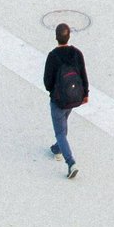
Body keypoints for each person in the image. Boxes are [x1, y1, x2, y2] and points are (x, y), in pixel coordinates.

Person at [43, 23, 89, 179]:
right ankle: (57, 148)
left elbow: (47, 82)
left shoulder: (52, 56)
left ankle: (71, 163)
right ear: (69, 36)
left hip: (58, 101)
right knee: (63, 123)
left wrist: (53, 93)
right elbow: (83, 74)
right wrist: (85, 94)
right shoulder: (77, 54)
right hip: (74, 98)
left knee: (60, 132)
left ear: (56, 37)